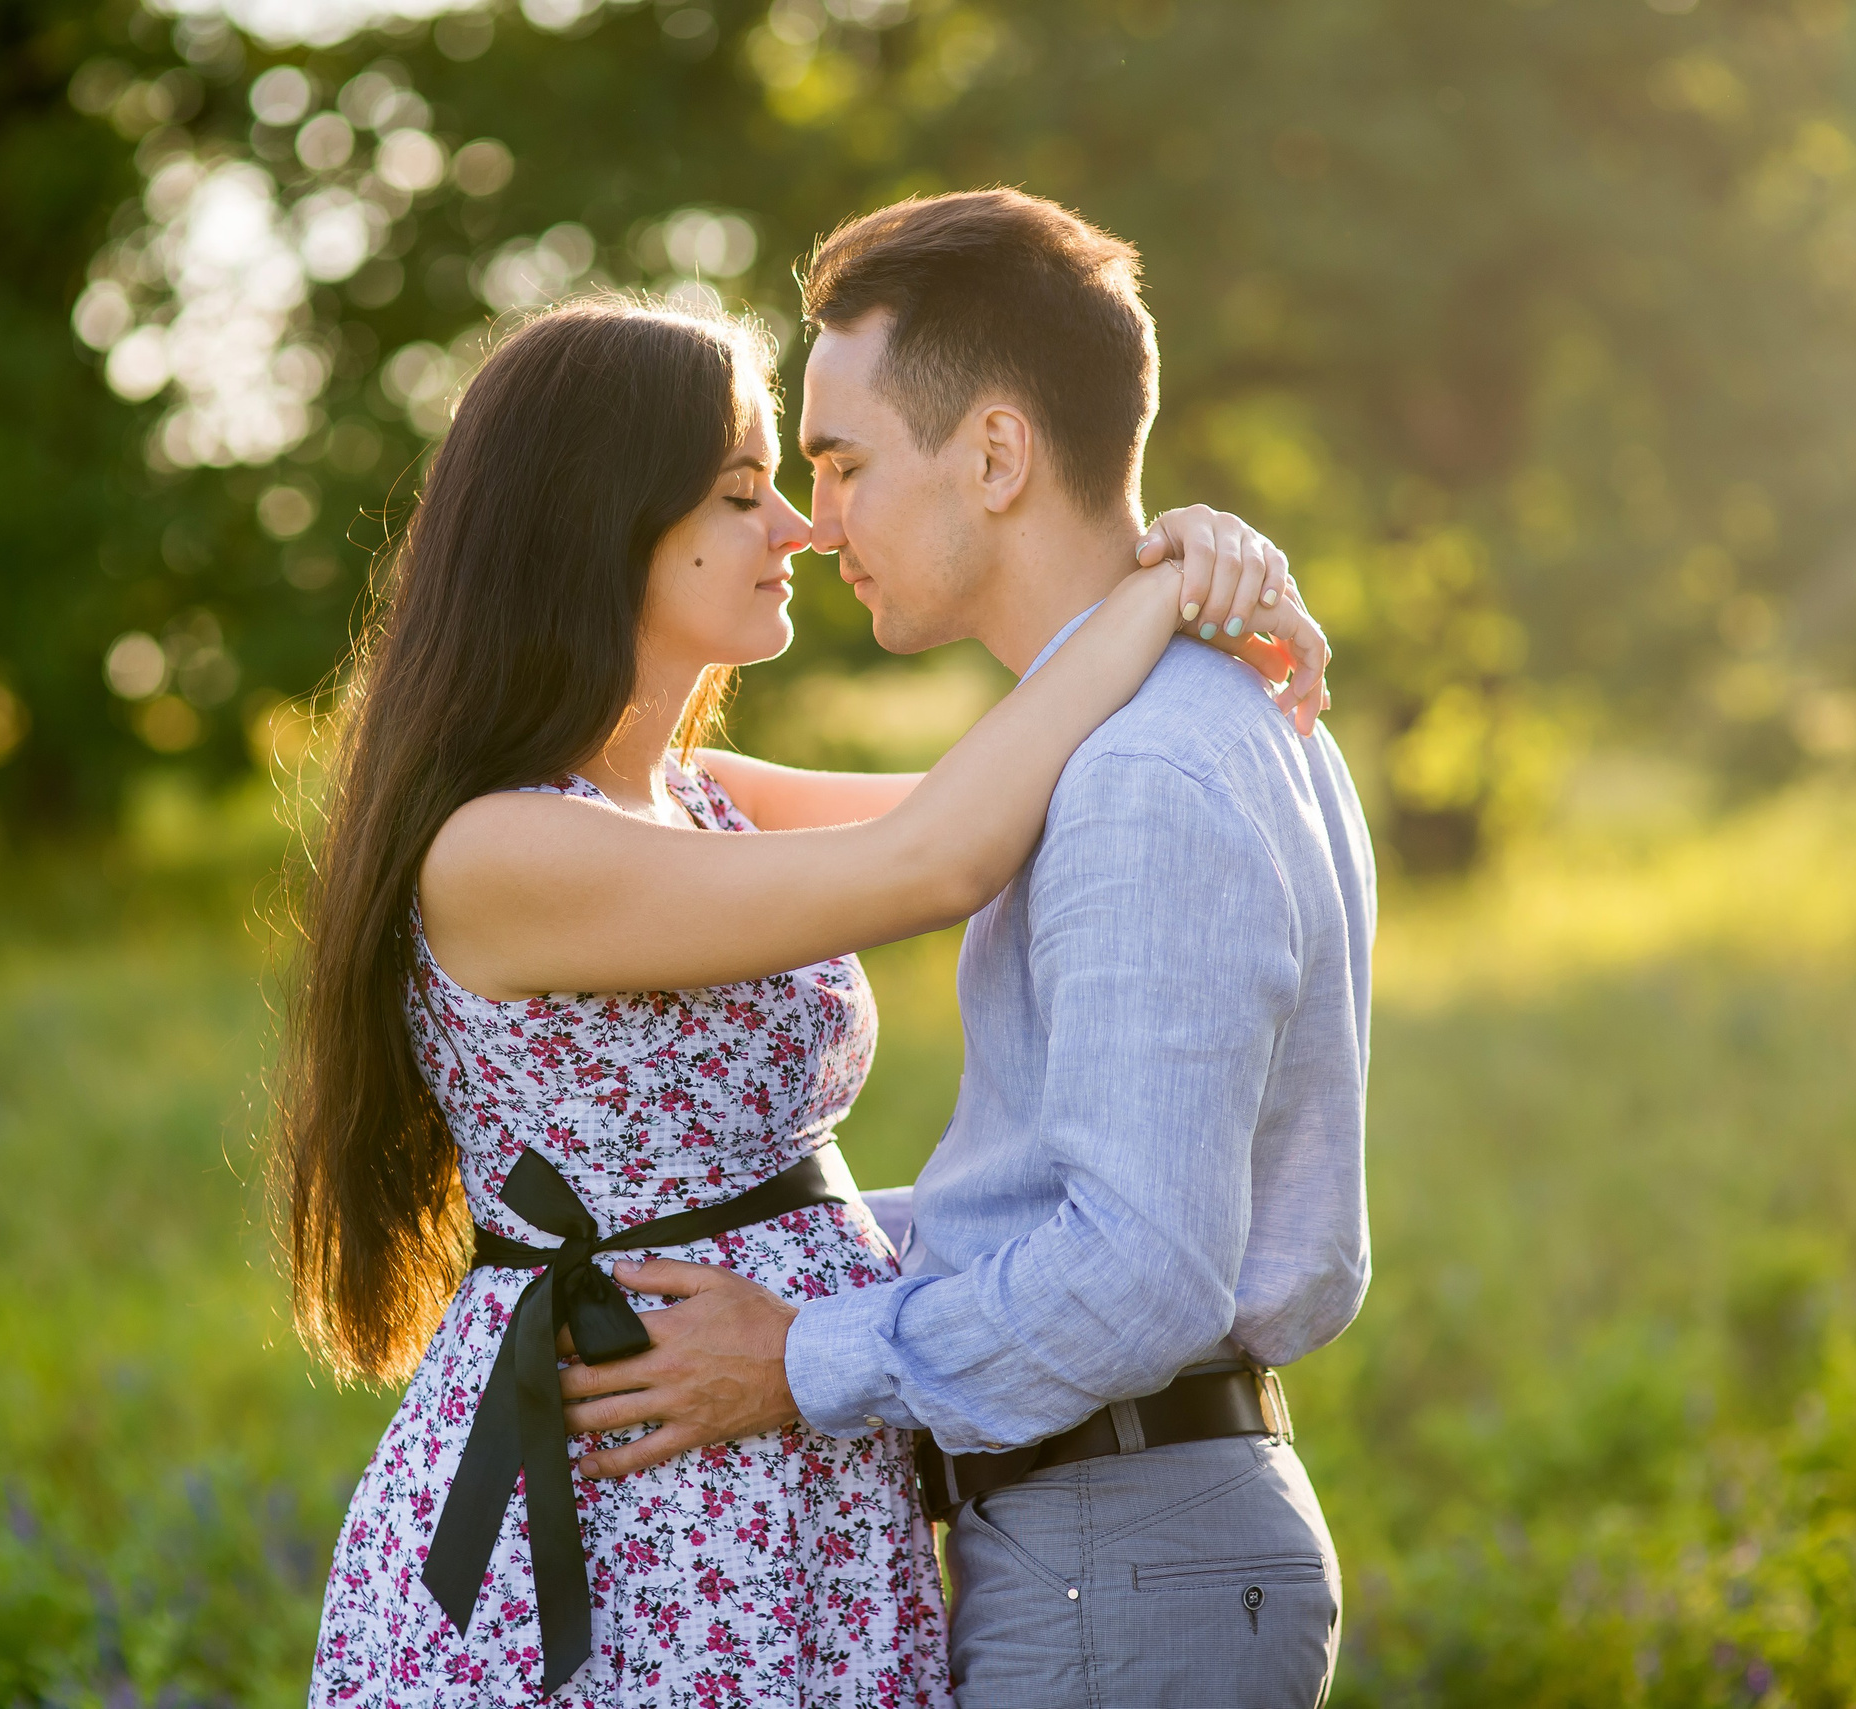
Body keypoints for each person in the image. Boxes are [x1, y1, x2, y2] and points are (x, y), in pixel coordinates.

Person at [279, 290, 1328, 1708]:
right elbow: (940, 852)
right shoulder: (501, 849)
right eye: (743, 490)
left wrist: (1207, 557)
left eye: (798, 482)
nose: (802, 527)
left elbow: (1044, 794)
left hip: (790, 1476)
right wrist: (1154, 593)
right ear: (603, 523)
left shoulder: (703, 799)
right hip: (623, 1508)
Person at [560, 192, 1375, 1709]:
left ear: (994, 455)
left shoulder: (1143, 773)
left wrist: (796, 1357)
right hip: (1103, 1539)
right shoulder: (1163, 727)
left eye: (843, 463)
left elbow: (1140, 1267)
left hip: (1118, 1556)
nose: (815, 521)